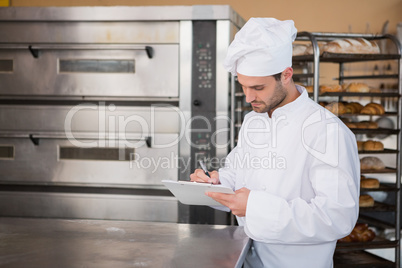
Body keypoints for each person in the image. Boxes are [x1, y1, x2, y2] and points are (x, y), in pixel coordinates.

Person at [190, 17, 360, 267]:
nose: (249, 97)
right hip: (246, 256)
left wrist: (255, 207)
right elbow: (238, 173)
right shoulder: (253, 121)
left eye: (258, 87)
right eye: (243, 86)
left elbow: (337, 216)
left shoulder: (327, 131)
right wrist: (218, 181)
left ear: (286, 75)